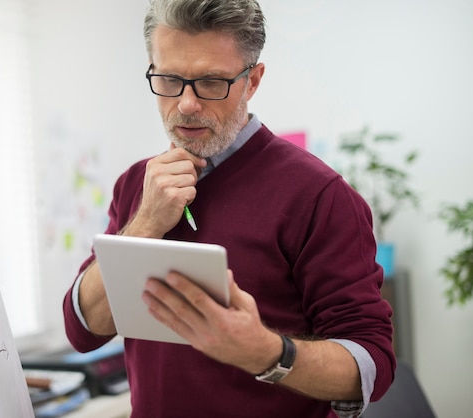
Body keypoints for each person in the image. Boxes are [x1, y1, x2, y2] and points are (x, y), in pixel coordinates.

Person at [63, 1, 395, 416]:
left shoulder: (319, 195)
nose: (185, 103)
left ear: (252, 81)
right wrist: (146, 221)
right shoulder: (137, 183)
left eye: (211, 82)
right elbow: (83, 330)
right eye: (169, 79)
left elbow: (372, 367)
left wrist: (265, 352)